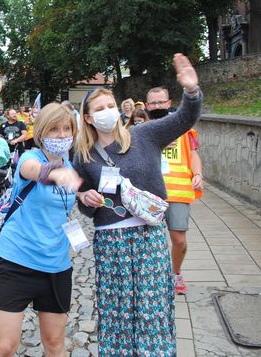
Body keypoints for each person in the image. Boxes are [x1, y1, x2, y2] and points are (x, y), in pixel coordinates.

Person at [73, 53, 202, 355]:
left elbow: (185, 118)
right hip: (111, 241)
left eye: (110, 106)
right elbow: (83, 201)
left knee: (152, 306)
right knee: (117, 311)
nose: (107, 111)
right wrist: (84, 198)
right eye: (99, 108)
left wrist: (192, 92)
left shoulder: (144, 134)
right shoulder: (84, 156)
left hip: (149, 236)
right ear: (89, 118)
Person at [0, 103, 83, 357]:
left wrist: (87, 195)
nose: (62, 135)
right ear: (41, 132)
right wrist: (52, 173)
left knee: (55, 345)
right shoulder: (31, 157)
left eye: (67, 129)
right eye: (54, 129)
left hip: (56, 266)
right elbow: (29, 170)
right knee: (6, 347)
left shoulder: (72, 166)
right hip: (16, 261)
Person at [146, 86, 203, 295]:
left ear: (169, 103)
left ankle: (175, 272)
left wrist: (197, 174)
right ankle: (153, 276)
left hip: (178, 191)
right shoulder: (141, 129)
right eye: (153, 103)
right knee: (150, 240)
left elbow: (194, 154)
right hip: (149, 192)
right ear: (146, 106)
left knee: (179, 239)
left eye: (161, 102)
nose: (157, 106)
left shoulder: (184, 127)